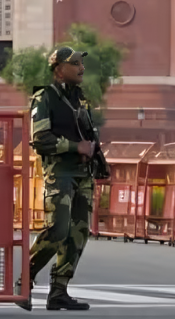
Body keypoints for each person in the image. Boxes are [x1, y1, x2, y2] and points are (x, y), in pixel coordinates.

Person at [15, 46, 110, 311]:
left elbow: (88, 133)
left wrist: (92, 153)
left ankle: (59, 291)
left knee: (78, 234)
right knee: (57, 229)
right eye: (76, 63)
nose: (82, 68)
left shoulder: (81, 99)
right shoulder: (44, 97)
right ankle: (25, 281)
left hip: (83, 174)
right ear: (59, 70)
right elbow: (40, 139)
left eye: (81, 63)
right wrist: (74, 147)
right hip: (59, 173)